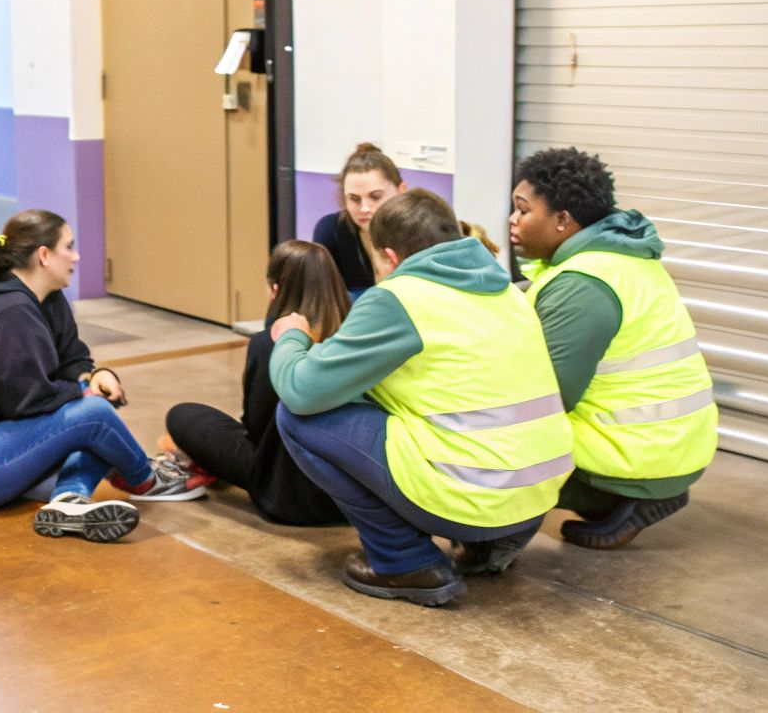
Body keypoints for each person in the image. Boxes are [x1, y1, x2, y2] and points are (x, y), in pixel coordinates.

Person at [272, 190, 574, 606]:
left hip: (474, 497)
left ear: (390, 257)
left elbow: (302, 389)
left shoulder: (400, 298)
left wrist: (291, 337)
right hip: (537, 495)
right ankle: (492, 544)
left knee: (298, 417)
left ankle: (404, 562)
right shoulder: (508, 293)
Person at [0, 209, 207, 542]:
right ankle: (147, 480)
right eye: (69, 246)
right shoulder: (7, 310)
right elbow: (29, 402)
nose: (77, 255)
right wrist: (85, 397)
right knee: (95, 416)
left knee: (96, 424)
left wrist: (92, 374)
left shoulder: (46, 298)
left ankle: (69, 501)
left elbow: (71, 356)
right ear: (44, 255)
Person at [510, 148, 716, 549]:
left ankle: (617, 497)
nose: (513, 220)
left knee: (479, 445)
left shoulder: (583, 284)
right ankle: (629, 498)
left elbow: (546, 401)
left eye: (523, 210)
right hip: (669, 446)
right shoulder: (619, 258)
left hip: (635, 455)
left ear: (563, 221)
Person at [161, 241, 352, 526]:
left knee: (182, 415)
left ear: (276, 289)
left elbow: (256, 428)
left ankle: (199, 462)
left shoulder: (268, 343)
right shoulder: (354, 340)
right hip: (350, 499)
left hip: (284, 496)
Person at [312, 143, 406, 297]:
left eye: (375, 197)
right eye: (354, 199)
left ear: (401, 191)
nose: (364, 208)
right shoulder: (330, 231)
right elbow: (320, 301)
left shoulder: (420, 231)